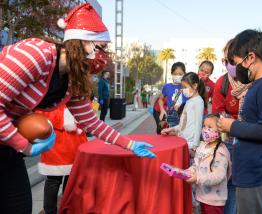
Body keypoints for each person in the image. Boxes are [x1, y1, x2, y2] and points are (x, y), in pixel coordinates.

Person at [0, 3, 155, 213]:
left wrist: (129, 144)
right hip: (10, 140)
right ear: (80, 41)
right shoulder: (36, 54)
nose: (103, 56)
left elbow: (91, 122)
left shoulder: (72, 79)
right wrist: (24, 146)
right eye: (100, 47)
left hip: (6, 145)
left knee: (19, 207)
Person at [217, 29, 262, 214]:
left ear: (250, 58)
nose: (234, 68)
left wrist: (232, 126)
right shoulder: (259, 84)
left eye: (236, 62)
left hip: (258, 174)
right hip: (251, 171)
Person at [212, 39, 251, 214]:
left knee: (247, 183)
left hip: (251, 139)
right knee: (231, 181)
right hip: (230, 138)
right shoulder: (222, 83)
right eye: (228, 60)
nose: (231, 64)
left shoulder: (256, 81)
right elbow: (217, 114)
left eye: (234, 59)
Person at [36, 105, 87, 214]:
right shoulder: (72, 100)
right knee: (64, 181)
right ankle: (64, 209)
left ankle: (57, 210)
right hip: (66, 144)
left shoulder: (48, 99)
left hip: (59, 145)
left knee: (58, 181)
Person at [185, 114, 231, 214]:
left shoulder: (220, 152)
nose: (205, 129)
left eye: (209, 127)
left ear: (220, 130)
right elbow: (196, 164)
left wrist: (197, 178)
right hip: (202, 196)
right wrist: (189, 172)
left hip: (214, 201)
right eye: (204, 126)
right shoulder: (202, 145)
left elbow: (218, 176)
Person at [161, 72, 206, 151]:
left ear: (195, 86)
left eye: (185, 87)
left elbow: (198, 125)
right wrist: (171, 129)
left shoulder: (198, 102)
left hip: (191, 143)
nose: (183, 90)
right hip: (184, 140)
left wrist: (195, 145)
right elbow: (184, 123)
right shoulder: (189, 101)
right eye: (183, 87)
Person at [158, 62, 187, 126]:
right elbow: (160, 100)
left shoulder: (187, 87)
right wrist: (162, 110)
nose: (177, 76)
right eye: (175, 74)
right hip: (171, 116)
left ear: (184, 74)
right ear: (171, 74)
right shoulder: (167, 86)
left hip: (185, 115)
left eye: (180, 74)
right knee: (171, 133)